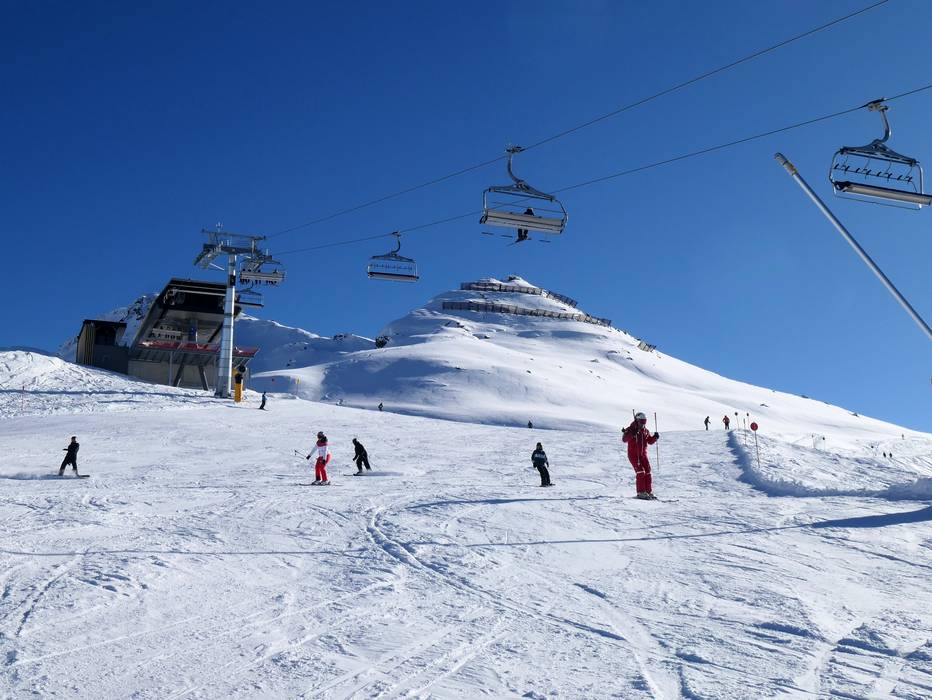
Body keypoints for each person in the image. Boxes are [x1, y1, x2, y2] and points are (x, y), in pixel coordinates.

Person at [622, 412, 659, 499]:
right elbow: (624, 439)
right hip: (634, 455)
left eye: (644, 421)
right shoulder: (631, 429)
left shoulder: (645, 431)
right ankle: (641, 492)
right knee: (640, 471)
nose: (643, 424)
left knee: (648, 471)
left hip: (643, 455)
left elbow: (649, 441)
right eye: (641, 421)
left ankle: (648, 492)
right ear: (637, 420)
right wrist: (632, 433)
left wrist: (655, 437)